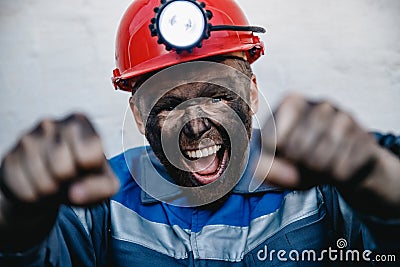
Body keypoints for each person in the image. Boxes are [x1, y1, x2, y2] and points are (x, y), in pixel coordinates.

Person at [0, 0, 399, 266]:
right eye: (169, 104)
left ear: (253, 93)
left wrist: (385, 192)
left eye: (218, 96)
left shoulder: (319, 188)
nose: (195, 125)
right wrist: (17, 223)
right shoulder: (99, 203)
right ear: (139, 117)